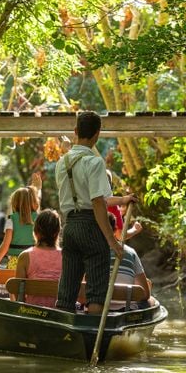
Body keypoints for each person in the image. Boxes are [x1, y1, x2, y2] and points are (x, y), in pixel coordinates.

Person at [54, 111, 137, 314]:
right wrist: (112, 241)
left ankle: (63, 328)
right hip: (91, 227)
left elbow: (98, 198)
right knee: (97, 291)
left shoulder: (61, 163)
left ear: (76, 131)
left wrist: (122, 200)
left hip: (70, 227)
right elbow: (98, 203)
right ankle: (92, 330)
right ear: (97, 134)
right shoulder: (95, 162)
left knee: (67, 289)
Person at [0, 172, 41, 269]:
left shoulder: (11, 220)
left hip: (16, 263)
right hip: (34, 262)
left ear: (14, 203)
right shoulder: (39, 219)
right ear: (34, 202)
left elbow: (5, 246)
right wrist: (38, 189)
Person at [16, 208, 62, 307]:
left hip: (32, 311)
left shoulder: (25, 256)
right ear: (57, 232)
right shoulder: (66, 256)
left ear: (35, 231)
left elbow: (18, 294)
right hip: (58, 311)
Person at [107, 213, 152, 310]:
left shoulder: (90, 252)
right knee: (150, 300)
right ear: (115, 231)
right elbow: (145, 293)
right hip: (127, 309)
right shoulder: (131, 252)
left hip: (96, 309)